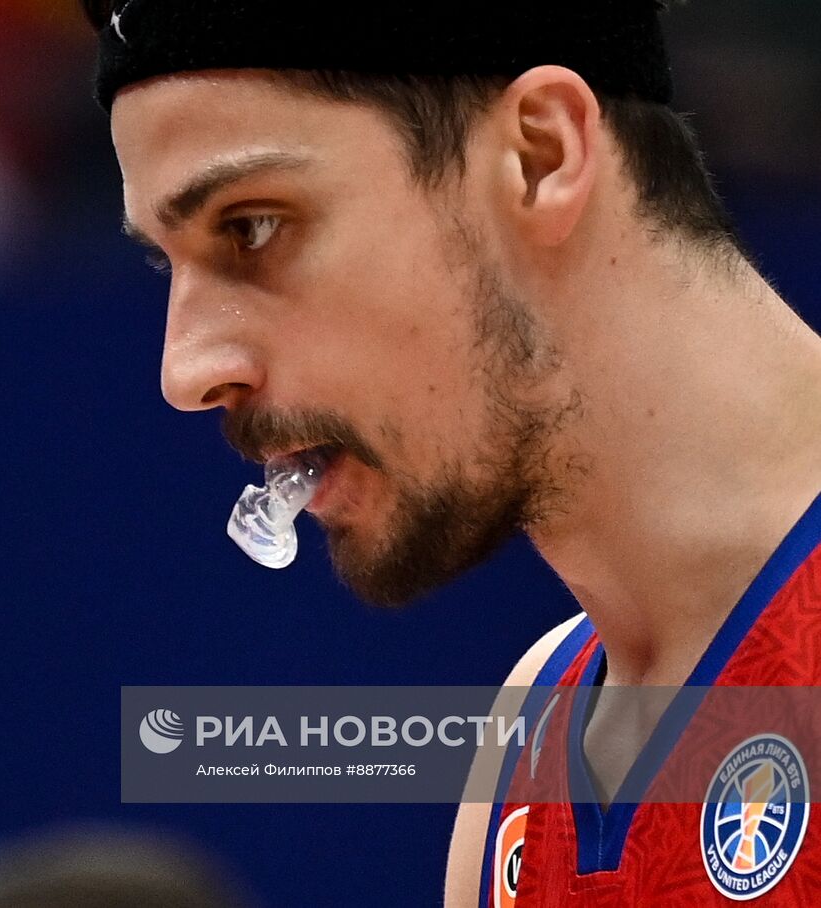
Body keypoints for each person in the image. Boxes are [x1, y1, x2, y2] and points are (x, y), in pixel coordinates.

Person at [77, 0, 821, 904]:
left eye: (253, 226)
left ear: (541, 157)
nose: (185, 370)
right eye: (167, 263)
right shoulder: (531, 731)